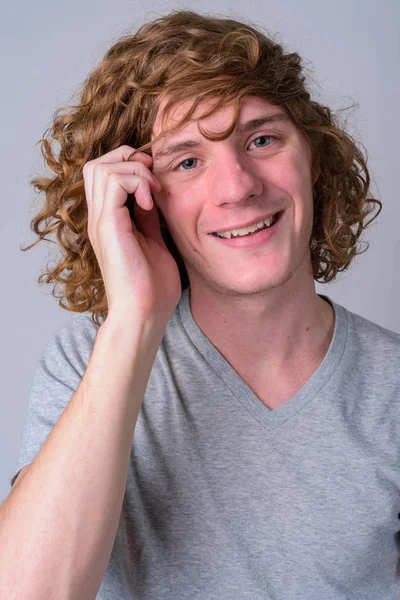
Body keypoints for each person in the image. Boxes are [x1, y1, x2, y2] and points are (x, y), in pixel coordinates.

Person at [1, 9, 399, 600]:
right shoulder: (86, 364)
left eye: (261, 139)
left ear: (313, 159)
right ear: (142, 199)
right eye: (187, 161)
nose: (238, 186)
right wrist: (134, 320)